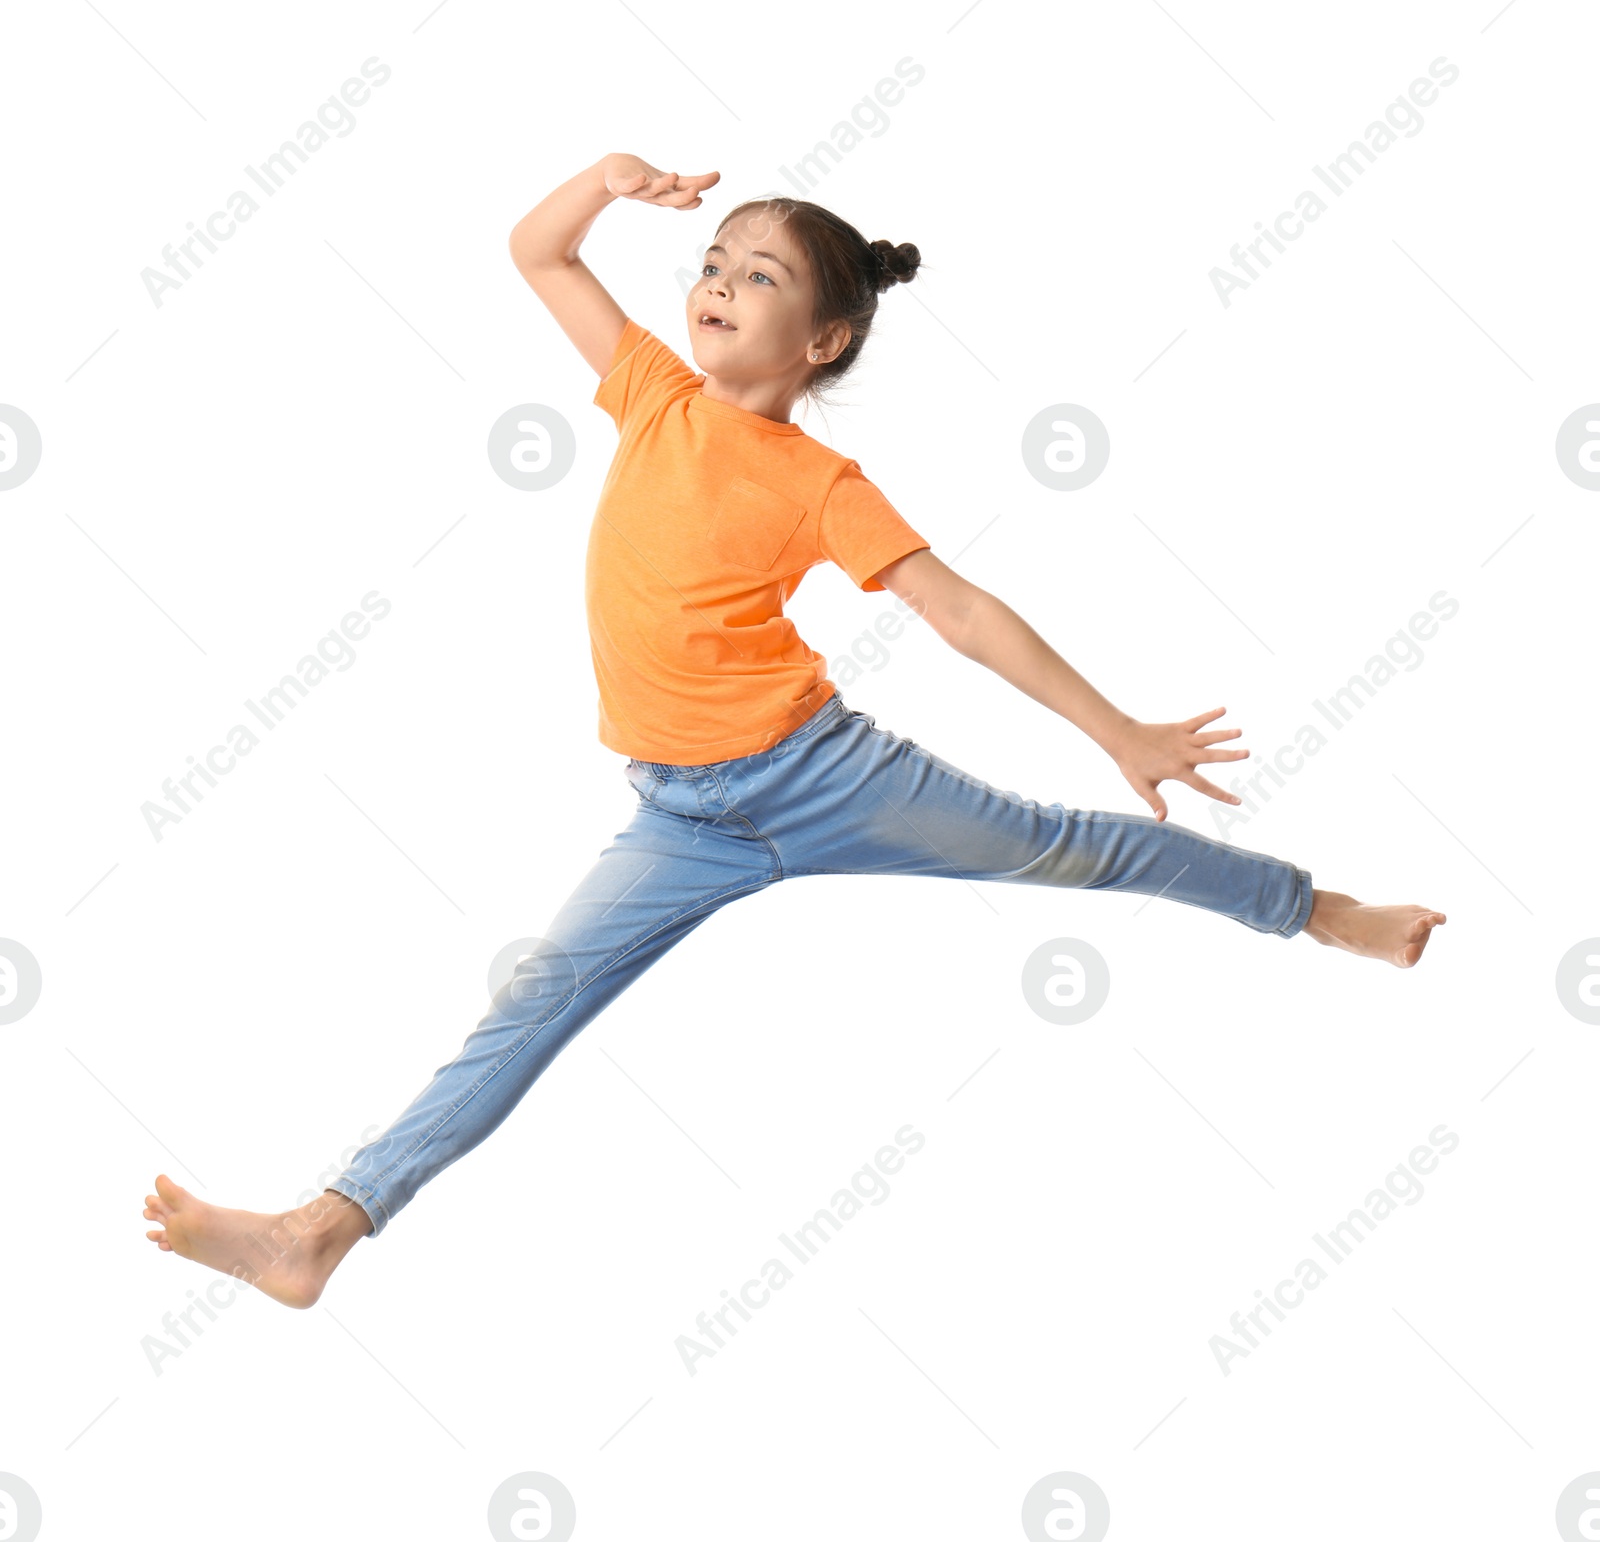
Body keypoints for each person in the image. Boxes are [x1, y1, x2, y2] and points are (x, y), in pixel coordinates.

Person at [142, 154, 1446, 1308]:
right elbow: (535, 250)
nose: (715, 281)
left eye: (756, 275)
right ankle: (319, 1232)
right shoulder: (650, 390)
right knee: (528, 1006)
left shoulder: (820, 481)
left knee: (1066, 849)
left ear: (819, 340)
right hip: (679, 812)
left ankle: (1318, 908)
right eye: (712, 261)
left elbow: (963, 613)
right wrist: (608, 178)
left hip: (819, 778)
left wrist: (1118, 727)